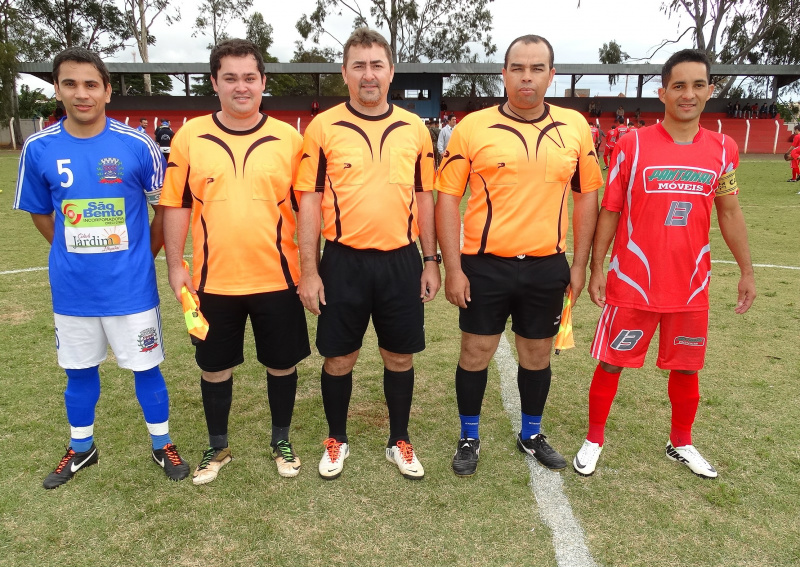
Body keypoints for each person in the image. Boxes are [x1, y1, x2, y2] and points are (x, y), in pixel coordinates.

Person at [573, 49, 756, 479]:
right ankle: (594, 438)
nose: (688, 94)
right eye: (679, 86)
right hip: (632, 281)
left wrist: (747, 271)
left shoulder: (723, 149)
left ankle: (682, 441)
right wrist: (598, 266)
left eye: (697, 85)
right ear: (662, 92)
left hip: (691, 285)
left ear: (710, 91)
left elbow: (729, 212)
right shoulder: (632, 144)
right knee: (613, 362)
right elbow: (611, 209)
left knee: (687, 365)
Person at [13, 47, 188, 489]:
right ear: (57, 89)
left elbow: (165, 210)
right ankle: (80, 447)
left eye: (91, 84)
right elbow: (39, 211)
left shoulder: (137, 145)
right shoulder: (38, 147)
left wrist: (141, 257)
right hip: (73, 289)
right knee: (78, 371)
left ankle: (161, 444)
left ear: (107, 91)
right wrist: (71, 251)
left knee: (147, 368)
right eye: (70, 83)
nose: (81, 93)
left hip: (130, 289)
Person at [434, 34, 602, 477]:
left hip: (547, 265)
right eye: (518, 68)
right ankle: (469, 435)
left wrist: (580, 264)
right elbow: (447, 198)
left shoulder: (575, 127)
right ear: (503, 72)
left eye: (537, 68)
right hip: (484, 265)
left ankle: (531, 433)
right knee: (475, 353)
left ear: (552, 74)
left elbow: (587, 198)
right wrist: (453, 267)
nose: (527, 77)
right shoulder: (472, 127)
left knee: (537, 356)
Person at [160, 39, 311, 484]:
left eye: (250, 77)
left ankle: (281, 439)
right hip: (212, 281)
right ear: (215, 82)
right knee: (214, 367)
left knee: (281, 363)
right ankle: (218, 446)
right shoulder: (190, 136)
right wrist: (175, 266)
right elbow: (176, 205)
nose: (241, 86)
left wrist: (311, 270)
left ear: (263, 82)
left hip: (279, 278)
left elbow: (308, 211)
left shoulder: (290, 139)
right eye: (231, 77)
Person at [296, 27, 440, 481]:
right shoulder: (322, 128)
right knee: (339, 358)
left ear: (391, 71)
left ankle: (399, 439)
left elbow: (425, 197)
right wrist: (309, 270)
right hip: (342, 262)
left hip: (401, 261)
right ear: (345, 73)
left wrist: (431, 259)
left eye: (377, 64)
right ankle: (336, 439)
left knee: (400, 357)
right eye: (358, 65)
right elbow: (308, 201)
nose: (368, 74)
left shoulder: (415, 128)